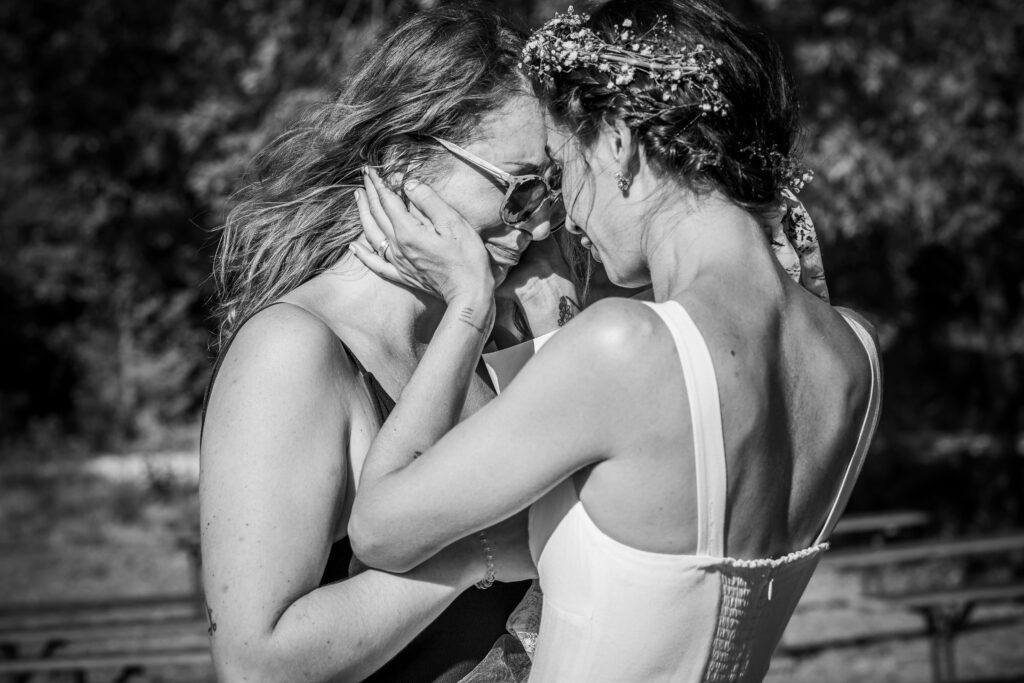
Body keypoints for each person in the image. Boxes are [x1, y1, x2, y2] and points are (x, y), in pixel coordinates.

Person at [347, 1, 882, 681]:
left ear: (619, 146)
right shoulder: (857, 354)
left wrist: (468, 305)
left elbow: (380, 530)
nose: (561, 216)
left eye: (565, 168)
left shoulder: (624, 348)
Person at [199, 4, 573, 681]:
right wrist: (472, 557)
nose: (540, 225)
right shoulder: (293, 352)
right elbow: (254, 664)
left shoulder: (496, 330)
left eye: (553, 190)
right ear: (403, 160)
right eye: (519, 188)